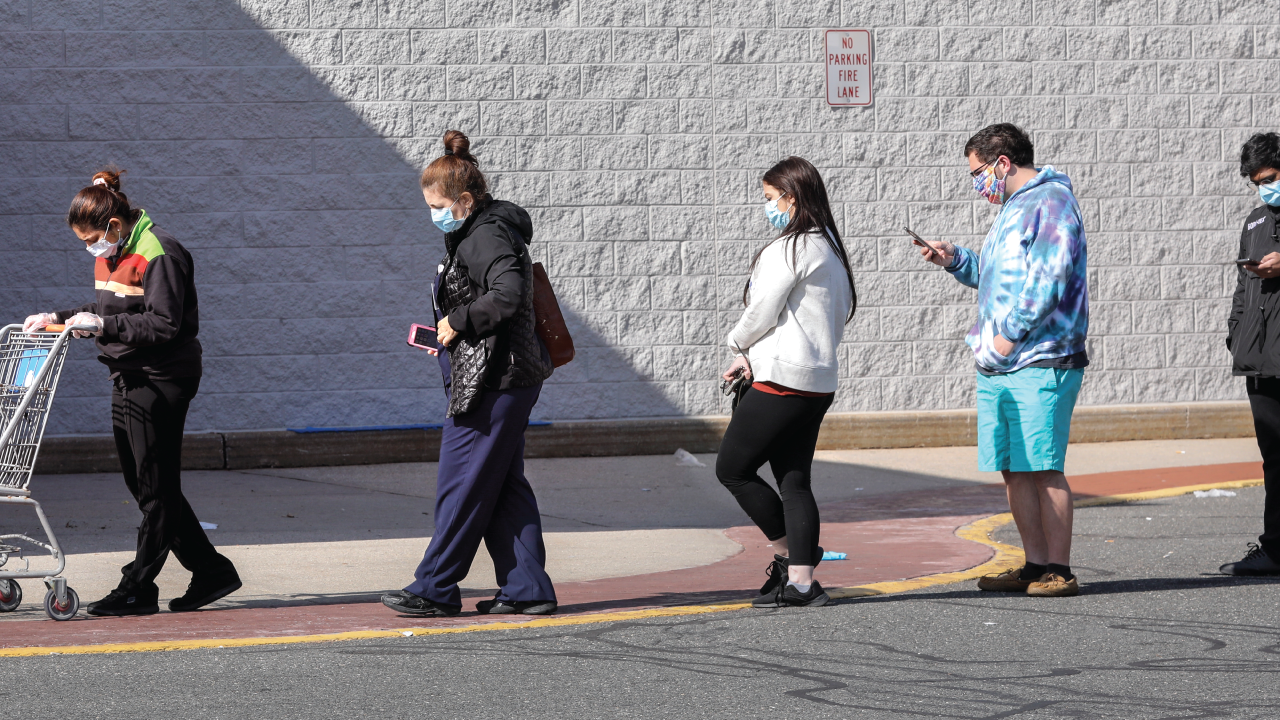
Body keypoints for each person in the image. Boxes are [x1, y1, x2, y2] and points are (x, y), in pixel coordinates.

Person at [23, 169, 240, 616]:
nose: (89, 248)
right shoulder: (111, 252)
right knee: (144, 484)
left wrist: (102, 326)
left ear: (114, 226)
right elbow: (109, 308)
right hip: (127, 373)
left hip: (162, 377)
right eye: (83, 241)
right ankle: (211, 570)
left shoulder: (158, 251)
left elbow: (164, 323)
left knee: (155, 489)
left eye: (91, 239)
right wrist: (58, 317)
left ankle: (137, 586)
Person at [381, 131, 558, 617]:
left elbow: (509, 292)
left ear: (463, 199)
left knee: (461, 482)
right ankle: (528, 589)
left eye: (437, 204)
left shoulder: (483, 233)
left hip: (494, 382)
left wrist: (457, 322)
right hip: (506, 377)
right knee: (502, 484)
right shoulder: (482, 228)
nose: (432, 213)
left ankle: (434, 587)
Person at [914, 123, 1089, 598]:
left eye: (977, 173)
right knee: (1014, 464)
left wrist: (1009, 337)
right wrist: (955, 260)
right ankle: (1034, 564)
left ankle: (1060, 568)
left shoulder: (1050, 201)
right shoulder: (1014, 208)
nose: (977, 183)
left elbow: (1049, 280)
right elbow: (1001, 278)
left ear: (1003, 163)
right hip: (1001, 362)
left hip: (1040, 358)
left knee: (1043, 464)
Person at [715, 156, 857, 608]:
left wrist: (737, 344)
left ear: (792, 198)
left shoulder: (790, 248)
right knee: (794, 481)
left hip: (781, 380)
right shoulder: (831, 247)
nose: (767, 207)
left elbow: (762, 311)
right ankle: (800, 581)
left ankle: (793, 552)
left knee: (732, 469)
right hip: (818, 381)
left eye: (770, 198)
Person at [1221, 132, 1280, 576]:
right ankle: (1276, 548)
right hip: (1260, 360)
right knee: (1275, 457)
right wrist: (1235, 334)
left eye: (1272, 178)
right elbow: (1244, 290)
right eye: (1258, 181)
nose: (1265, 188)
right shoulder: (1255, 222)